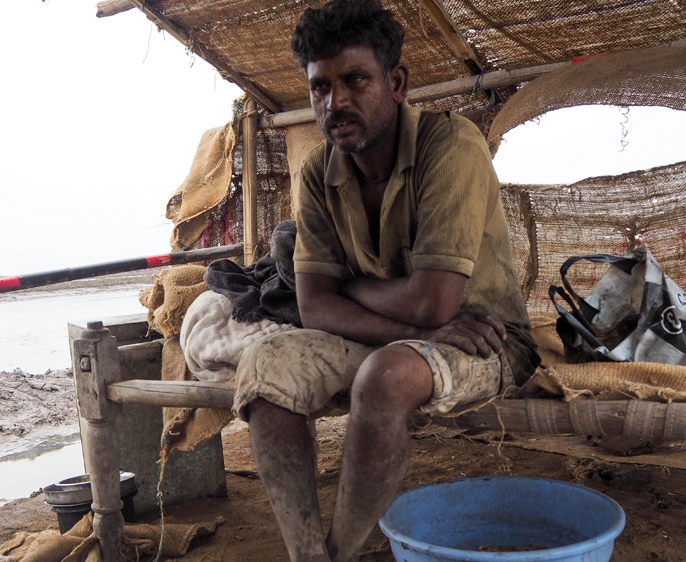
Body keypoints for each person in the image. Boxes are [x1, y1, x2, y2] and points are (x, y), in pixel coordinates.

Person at [231, 1, 540, 560]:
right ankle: (307, 555)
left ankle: (342, 551)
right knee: (264, 367)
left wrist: (348, 286)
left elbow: (434, 301)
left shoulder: (451, 147)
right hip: (404, 333)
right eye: (320, 87)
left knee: (387, 375)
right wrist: (396, 312)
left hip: (486, 336)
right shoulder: (317, 172)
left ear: (395, 82)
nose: (335, 101)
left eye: (355, 80)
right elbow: (314, 308)